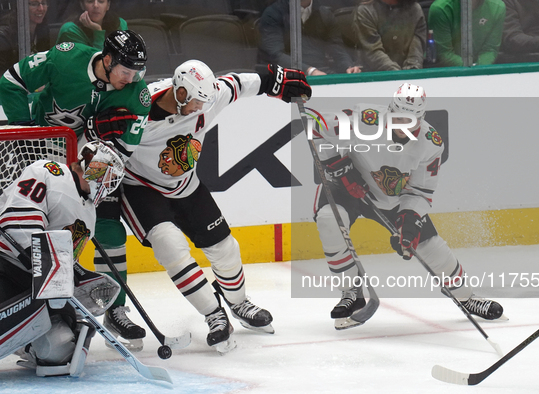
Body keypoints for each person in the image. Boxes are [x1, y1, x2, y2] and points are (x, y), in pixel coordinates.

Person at [118, 60, 311, 352]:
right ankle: (214, 314)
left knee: (225, 247)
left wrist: (275, 79)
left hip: (186, 185)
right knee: (170, 245)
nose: (200, 108)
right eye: (196, 101)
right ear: (180, 92)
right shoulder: (135, 110)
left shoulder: (206, 98)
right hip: (140, 189)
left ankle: (238, 302)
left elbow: (238, 83)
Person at [0, 30, 151, 349]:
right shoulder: (65, 58)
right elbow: (11, 81)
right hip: (34, 154)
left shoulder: (137, 94)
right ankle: (24, 301)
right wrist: (27, 135)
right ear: (107, 60)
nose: (132, 78)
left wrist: (101, 142)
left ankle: (106, 308)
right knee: (21, 224)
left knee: (94, 229)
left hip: (84, 166)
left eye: (137, 71)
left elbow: (121, 154)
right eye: (126, 70)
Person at [312, 83, 504, 330]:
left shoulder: (430, 143)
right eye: (398, 117)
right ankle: (352, 293)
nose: (402, 125)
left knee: (431, 247)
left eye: (409, 120)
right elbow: (315, 126)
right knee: (330, 220)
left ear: (421, 119)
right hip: (345, 187)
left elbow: (421, 191)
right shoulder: (365, 119)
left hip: (393, 198)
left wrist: (409, 222)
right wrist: (336, 163)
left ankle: (466, 297)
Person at [0, 140, 125, 377]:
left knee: (59, 348)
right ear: (94, 167)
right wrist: (43, 260)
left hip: (33, 286)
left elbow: (65, 260)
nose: (108, 185)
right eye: (108, 176)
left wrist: (77, 277)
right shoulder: (48, 172)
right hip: (6, 265)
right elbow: (16, 221)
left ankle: (26, 345)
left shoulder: (89, 214)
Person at [258, 0, 362, 76]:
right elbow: (275, 55)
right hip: (284, 77)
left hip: (321, 72)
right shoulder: (272, 14)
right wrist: (310, 71)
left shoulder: (324, 14)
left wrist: (348, 67)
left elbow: (336, 48)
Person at [428, 0, 506, 66]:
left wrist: (480, 69)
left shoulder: (498, 7)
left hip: (481, 73)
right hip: (446, 74)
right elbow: (444, 54)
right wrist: (471, 69)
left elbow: (490, 49)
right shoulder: (440, 8)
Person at [354, 0, 426, 71]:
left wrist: (412, 72)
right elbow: (373, 52)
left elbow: (416, 51)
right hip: (376, 76)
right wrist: (397, 75)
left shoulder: (415, 9)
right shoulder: (366, 10)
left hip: (410, 75)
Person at [0, 0, 50, 75]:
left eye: (43, 3)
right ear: (20, 7)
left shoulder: (43, 30)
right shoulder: (4, 37)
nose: (41, 9)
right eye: (34, 4)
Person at [56, 0, 127, 49]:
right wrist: (98, 32)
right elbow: (95, 64)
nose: (96, 5)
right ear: (82, 5)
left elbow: (127, 60)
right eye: (90, 1)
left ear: (108, 5)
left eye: (101, 1)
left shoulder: (120, 24)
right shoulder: (70, 30)